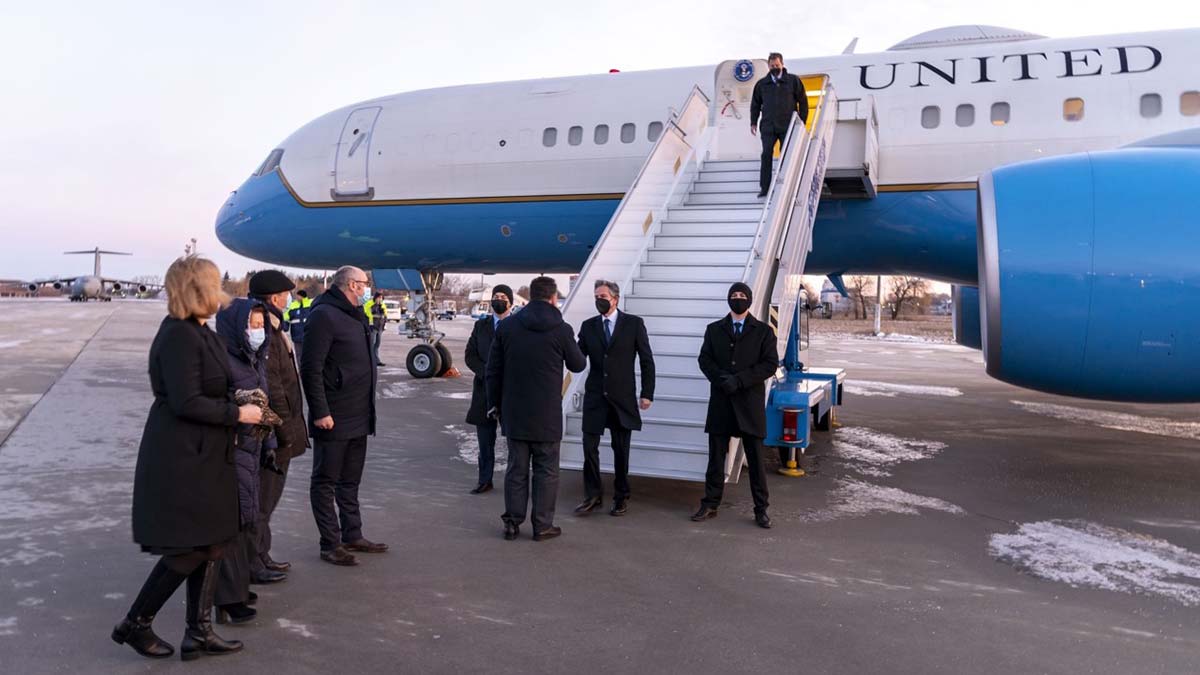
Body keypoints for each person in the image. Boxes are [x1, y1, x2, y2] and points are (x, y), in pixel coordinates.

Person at [113, 255, 254, 661]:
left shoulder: (199, 330)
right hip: (183, 457)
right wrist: (237, 412)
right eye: (215, 284)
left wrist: (238, 400)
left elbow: (210, 387)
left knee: (213, 542)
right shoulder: (178, 335)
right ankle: (135, 624)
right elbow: (186, 400)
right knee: (188, 549)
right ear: (198, 289)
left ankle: (200, 632)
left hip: (207, 453)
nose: (223, 292)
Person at [486, 276, 585, 541]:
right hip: (547, 415)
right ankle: (542, 526)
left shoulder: (507, 328)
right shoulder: (561, 329)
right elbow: (578, 365)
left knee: (516, 470)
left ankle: (511, 523)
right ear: (553, 298)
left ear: (529, 297)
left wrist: (494, 404)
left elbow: (493, 371)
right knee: (547, 472)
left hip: (515, 413)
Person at [300, 265, 385, 566]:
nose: (367, 289)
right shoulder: (324, 315)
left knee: (350, 481)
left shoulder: (354, 314)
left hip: (359, 412)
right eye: (364, 284)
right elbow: (311, 368)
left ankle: (353, 534)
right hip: (333, 415)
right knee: (325, 480)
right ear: (351, 285)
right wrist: (320, 411)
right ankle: (330, 543)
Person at [212, 299, 283, 624]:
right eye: (251, 325)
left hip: (252, 449)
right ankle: (226, 599)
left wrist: (269, 443)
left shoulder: (252, 359)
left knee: (247, 520)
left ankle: (235, 592)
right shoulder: (224, 360)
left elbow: (262, 404)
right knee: (234, 524)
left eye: (260, 325)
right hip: (233, 450)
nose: (257, 331)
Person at [693, 282, 779, 529]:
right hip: (721, 402)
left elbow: (769, 364)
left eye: (742, 296)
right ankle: (710, 504)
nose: (737, 299)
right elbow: (704, 359)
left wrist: (739, 381)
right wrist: (722, 380)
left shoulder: (763, 331)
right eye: (734, 296)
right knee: (715, 460)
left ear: (750, 300)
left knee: (756, 462)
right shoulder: (714, 329)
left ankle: (761, 509)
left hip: (749, 405)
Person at [574, 280, 655, 517]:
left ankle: (621, 496)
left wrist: (647, 393)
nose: (599, 299)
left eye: (603, 296)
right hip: (595, 397)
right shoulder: (588, 326)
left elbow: (646, 359)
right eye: (596, 296)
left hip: (622, 397)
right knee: (589, 447)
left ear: (615, 299)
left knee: (621, 449)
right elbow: (578, 358)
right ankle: (593, 495)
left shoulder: (633, 324)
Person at [247, 271, 309, 582]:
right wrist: (283, 432)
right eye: (285, 295)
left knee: (268, 499)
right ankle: (254, 562)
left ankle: (262, 554)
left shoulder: (274, 327)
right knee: (263, 498)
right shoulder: (265, 332)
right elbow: (273, 389)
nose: (288, 299)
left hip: (280, 430)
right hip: (276, 432)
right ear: (274, 298)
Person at [463, 284, 514, 494]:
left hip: (510, 392)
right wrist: (486, 372)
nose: (498, 299)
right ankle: (485, 479)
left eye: (503, 296)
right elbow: (470, 355)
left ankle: (515, 482)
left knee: (514, 442)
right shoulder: (481, 326)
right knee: (485, 441)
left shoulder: (518, 325)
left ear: (511, 302)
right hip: (484, 390)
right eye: (496, 296)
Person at [750, 52, 809, 197]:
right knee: (766, 155)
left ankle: (785, 187)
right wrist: (753, 122)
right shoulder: (761, 84)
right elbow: (755, 104)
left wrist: (801, 121)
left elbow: (803, 101)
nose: (775, 68)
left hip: (787, 126)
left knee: (786, 156)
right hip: (768, 126)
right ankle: (765, 188)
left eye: (777, 65)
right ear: (768, 66)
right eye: (772, 66)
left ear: (782, 64)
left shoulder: (793, 81)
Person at [284, 289, 313, 361]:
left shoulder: (311, 304)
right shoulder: (292, 306)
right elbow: (286, 317)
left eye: (298, 296)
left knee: (310, 356)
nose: (297, 298)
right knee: (299, 356)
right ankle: (301, 372)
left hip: (309, 336)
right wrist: (284, 326)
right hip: (297, 337)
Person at [364, 291, 388, 367]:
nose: (380, 299)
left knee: (377, 344)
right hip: (372, 326)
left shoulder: (382, 305)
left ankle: (376, 360)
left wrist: (384, 323)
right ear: (375, 297)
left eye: (381, 298)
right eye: (379, 298)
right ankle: (370, 360)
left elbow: (385, 315)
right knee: (372, 343)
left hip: (380, 327)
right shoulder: (369, 304)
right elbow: (367, 315)